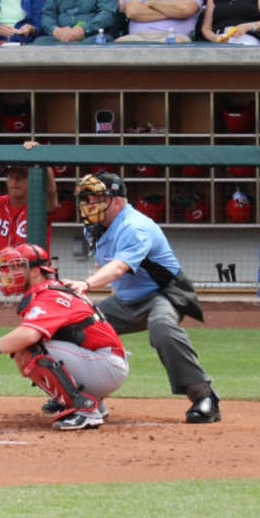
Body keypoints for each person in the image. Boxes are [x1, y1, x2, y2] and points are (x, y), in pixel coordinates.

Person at [64, 171, 221, 424]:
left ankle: (204, 397)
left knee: (162, 328)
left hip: (165, 293)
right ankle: (75, 394)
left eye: (95, 198)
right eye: (87, 199)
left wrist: (86, 284)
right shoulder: (96, 228)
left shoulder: (135, 226)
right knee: (72, 328)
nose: (89, 205)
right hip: (126, 301)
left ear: (117, 201)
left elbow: (118, 267)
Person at [0, 243, 129, 430]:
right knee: (27, 346)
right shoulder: (51, 289)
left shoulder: (49, 295)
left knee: (28, 348)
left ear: (35, 272)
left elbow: (28, 335)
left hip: (105, 365)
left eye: (17, 267)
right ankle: (84, 399)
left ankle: (84, 409)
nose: (9, 273)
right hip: (101, 362)